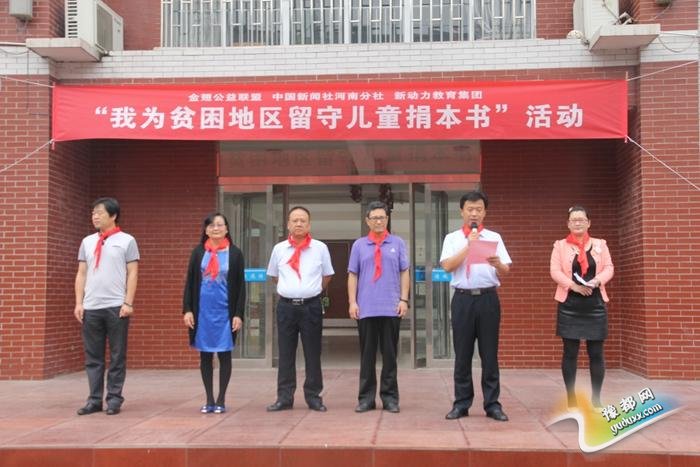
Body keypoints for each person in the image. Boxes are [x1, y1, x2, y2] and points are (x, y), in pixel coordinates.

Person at [440, 190, 511, 421]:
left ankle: (492, 404)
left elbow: (506, 270)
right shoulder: (452, 238)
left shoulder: (494, 237)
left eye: (478, 209)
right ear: (461, 211)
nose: (474, 213)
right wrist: (468, 247)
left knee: (489, 354)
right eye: (470, 209)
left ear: (484, 212)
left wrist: (498, 263)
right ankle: (461, 403)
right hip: (462, 300)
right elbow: (448, 266)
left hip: (488, 299)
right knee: (462, 354)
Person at [74, 197, 139, 416]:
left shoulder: (127, 241)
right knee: (93, 357)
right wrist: (79, 302)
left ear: (113, 215)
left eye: (99, 213)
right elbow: (81, 273)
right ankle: (94, 400)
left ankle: (114, 399)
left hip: (116, 307)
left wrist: (128, 302)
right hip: (91, 307)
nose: (95, 216)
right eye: (93, 213)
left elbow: (133, 273)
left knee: (117, 356)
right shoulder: (87, 242)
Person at [266, 206, 334, 412]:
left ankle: (313, 397)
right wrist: (291, 290)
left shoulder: (320, 248)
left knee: (313, 353)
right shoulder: (279, 249)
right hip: (286, 307)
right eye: (294, 220)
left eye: (303, 220)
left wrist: (310, 291)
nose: (298, 224)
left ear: (309, 225)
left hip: (311, 306)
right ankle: (284, 397)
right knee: (286, 353)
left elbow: (327, 275)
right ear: (288, 224)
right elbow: (275, 275)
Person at [348, 201, 409, 414]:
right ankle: (366, 399)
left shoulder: (398, 243)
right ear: (367, 221)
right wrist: (352, 302)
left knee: (390, 356)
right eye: (374, 218)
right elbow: (353, 274)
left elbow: (404, 272)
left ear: (387, 219)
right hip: (366, 308)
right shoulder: (359, 245)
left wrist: (404, 300)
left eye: (382, 217)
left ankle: (390, 398)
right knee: (367, 357)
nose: (379, 221)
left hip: (391, 308)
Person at [550, 205, 614, 409]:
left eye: (581, 219)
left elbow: (609, 268)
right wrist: (574, 286)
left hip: (595, 303)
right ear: (568, 224)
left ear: (589, 223)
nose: (577, 223)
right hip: (570, 303)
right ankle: (571, 397)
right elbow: (555, 271)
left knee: (596, 352)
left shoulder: (601, 244)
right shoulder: (560, 246)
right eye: (573, 220)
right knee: (570, 352)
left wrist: (596, 281)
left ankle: (596, 398)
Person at [183, 213, 246, 414]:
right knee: (205, 355)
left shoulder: (235, 253)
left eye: (219, 225)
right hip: (203, 313)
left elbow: (241, 287)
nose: (215, 228)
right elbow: (189, 283)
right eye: (211, 225)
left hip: (225, 313)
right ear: (206, 230)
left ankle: (221, 399)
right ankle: (209, 399)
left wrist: (238, 314)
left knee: (225, 354)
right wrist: (187, 310)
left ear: (227, 229)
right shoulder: (198, 252)